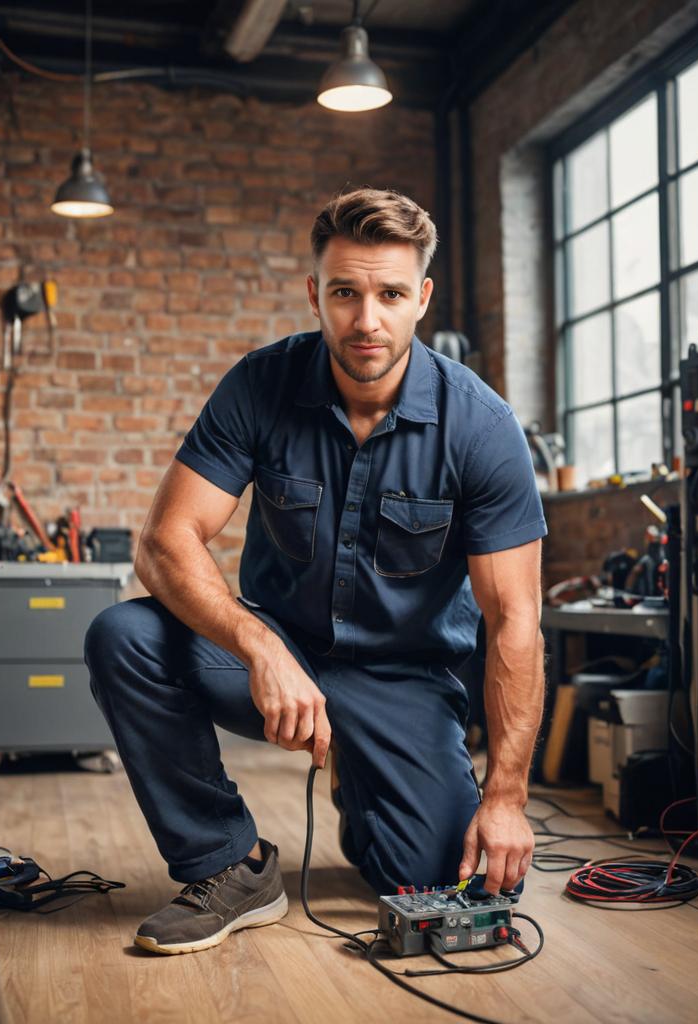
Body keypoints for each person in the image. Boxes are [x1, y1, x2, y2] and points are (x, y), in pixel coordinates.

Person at [84, 186, 547, 956]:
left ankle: (368, 791)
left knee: (460, 886)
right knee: (123, 635)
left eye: (391, 295)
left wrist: (506, 797)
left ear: (422, 298)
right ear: (315, 295)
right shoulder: (260, 387)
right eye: (346, 293)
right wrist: (262, 650)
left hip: (404, 678)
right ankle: (229, 861)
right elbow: (166, 543)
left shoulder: (482, 427)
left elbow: (515, 622)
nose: (367, 321)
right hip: (276, 651)